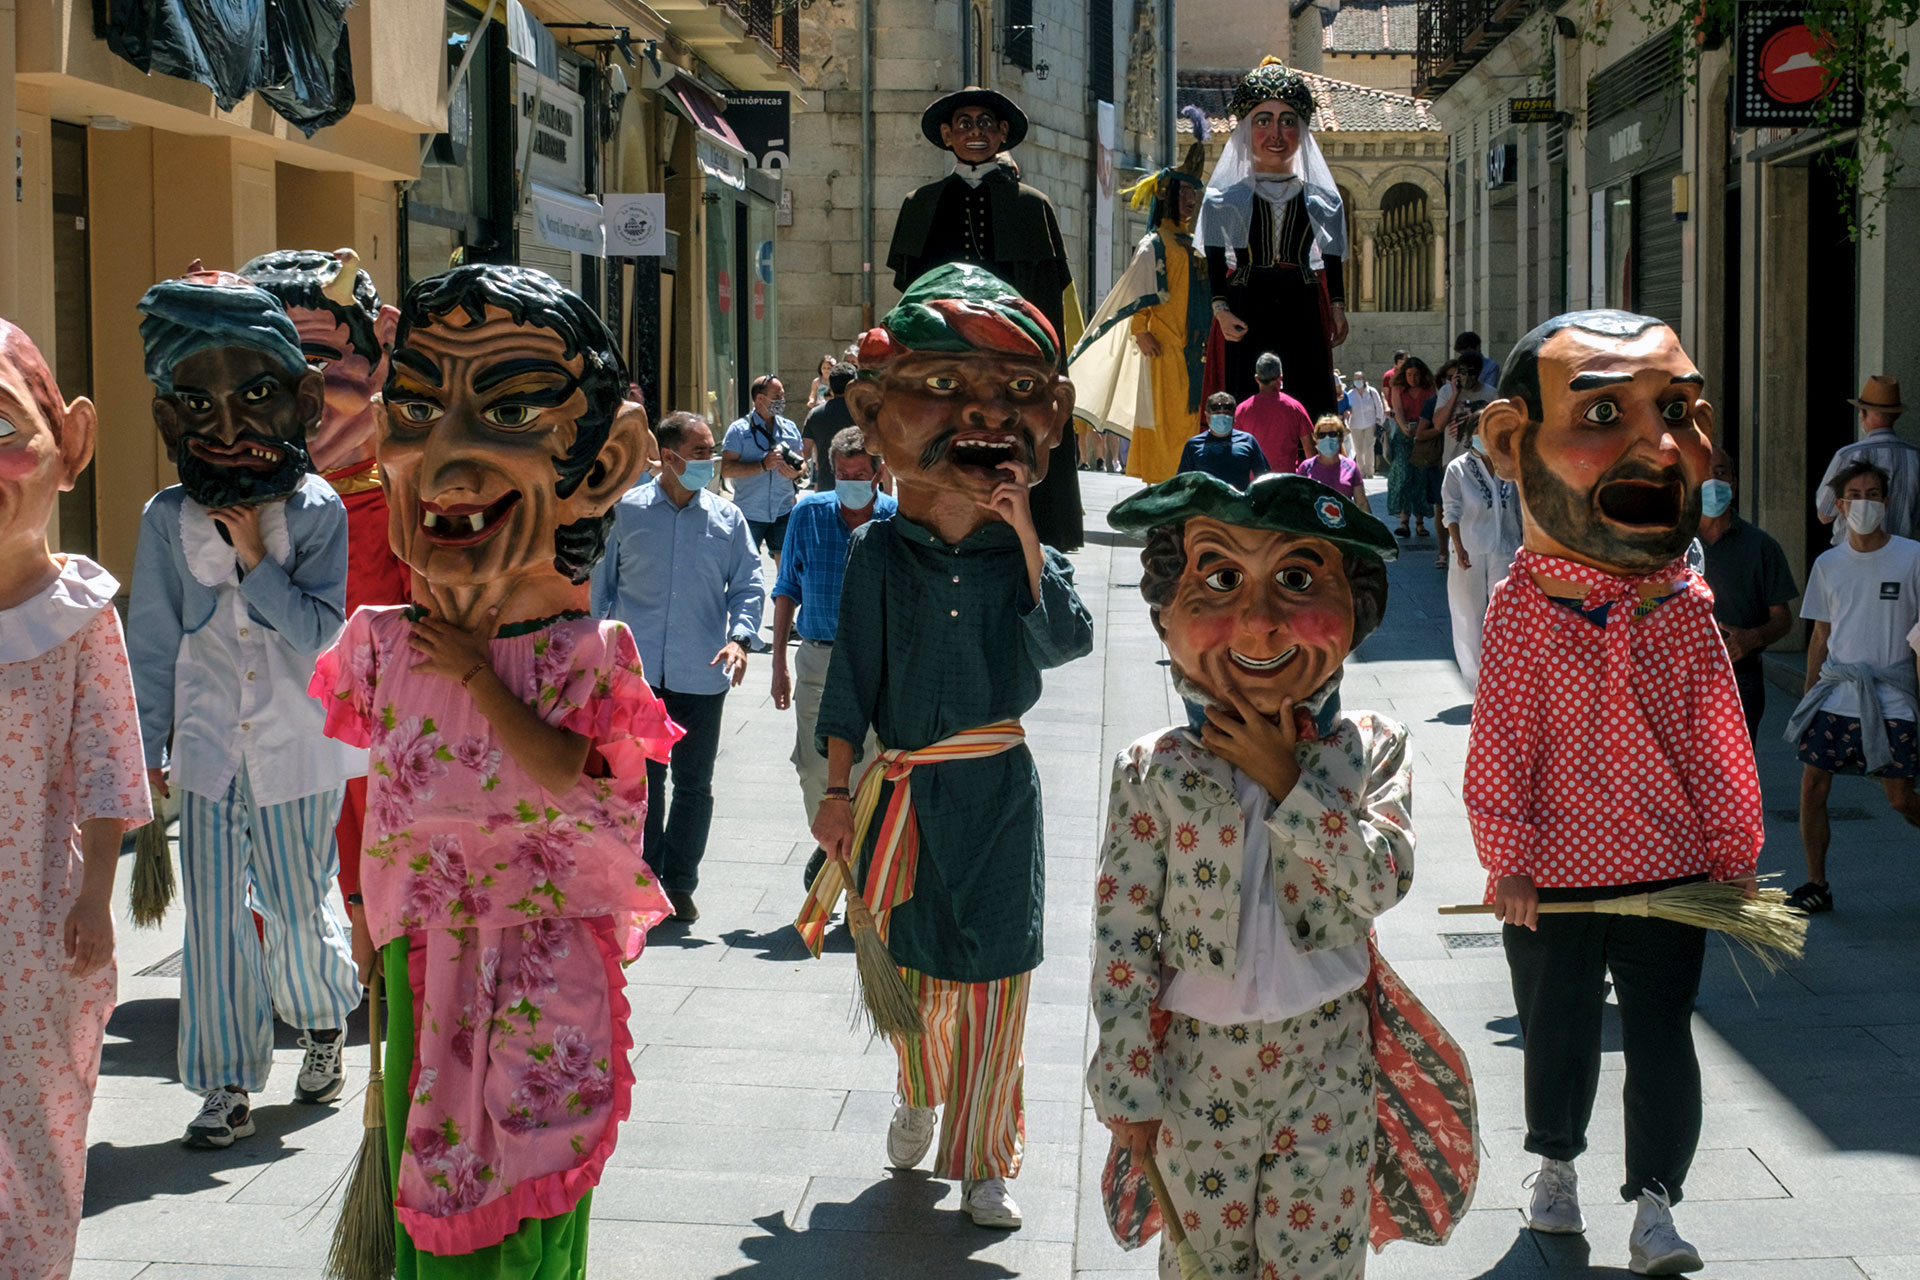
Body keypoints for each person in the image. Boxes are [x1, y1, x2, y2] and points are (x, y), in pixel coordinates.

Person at [313, 263, 679, 1276]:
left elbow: (596, 799)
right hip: (421, 961)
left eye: (511, 407)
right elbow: (363, 784)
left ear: (602, 466)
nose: (450, 451)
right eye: (420, 406)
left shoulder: (591, 657)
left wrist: (479, 674)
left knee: (521, 1222)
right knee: (433, 1211)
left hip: (539, 969)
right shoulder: (378, 643)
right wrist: (358, 897)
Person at [1090, 471, 1477, 1280]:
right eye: (1220, 580)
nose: (1260, 623)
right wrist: (1126, 1078)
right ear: (1166, 608)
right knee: (1205, 1265)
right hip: (1199, 1066)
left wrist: (1286, 782)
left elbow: (1381, 880)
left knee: (1318, 1264)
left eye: (1297, 582)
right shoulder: (1153, 769)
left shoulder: (1369, 747)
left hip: (1329, 1058)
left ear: (1355, 608)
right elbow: (1123, 935)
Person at [799, 263, 1094, 1230]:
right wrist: (836, 793)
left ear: (1049, 424)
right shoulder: (882, 551)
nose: (983, 417)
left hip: (1000, 793)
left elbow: (1068, 641)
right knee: (919, 968)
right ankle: (921, 1095)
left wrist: (1024, 537)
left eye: (1016, 394)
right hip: (908, 797)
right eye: (941, 388)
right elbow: (851, 687)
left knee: (1000, 976)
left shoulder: (1024, 554)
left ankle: (986, 1163)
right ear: (877, 414)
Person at [1469, 310, 1762, 1277]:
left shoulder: (1686, 607)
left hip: (1669, 874)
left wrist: (1735, 853)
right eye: (1605, 411)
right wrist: (1505, 855)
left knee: (1662, 1037)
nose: (1660, 445)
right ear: (1514, 444)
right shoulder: (1519, 605)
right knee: (1556, 1031)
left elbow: (1717, 737)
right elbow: (1501, 735)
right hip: (1551, 879)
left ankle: (1655, 1203)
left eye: (1677, 410)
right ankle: (1554, 1168)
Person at [127, 267, 362, 1147]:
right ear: (168, 418)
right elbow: (152, 641)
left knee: (300, 905)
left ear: (301, 403)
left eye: (255, 397)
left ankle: (325, 1020)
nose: (225, 429)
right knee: (217, 918)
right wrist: (146, 747)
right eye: (196, 404)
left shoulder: (318, 512)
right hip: (209, 749)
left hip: (300, 749)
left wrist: (257, 558)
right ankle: (224, 1082)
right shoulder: (164, 519)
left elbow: (322, 639)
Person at [0, 320, 152, 1280]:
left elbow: (108, 760)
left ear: (70, 448)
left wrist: (98, 892)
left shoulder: (79, 614)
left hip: (34, 920)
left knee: (35, 1116)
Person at [240, 246, 410, 925]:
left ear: (378, 362)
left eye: (316, 357)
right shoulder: (219, 508)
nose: (294, 387)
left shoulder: (400, 503)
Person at [888, 86, 1084, 552]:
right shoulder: (921, 203)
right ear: (946, 134)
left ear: (1001, 134)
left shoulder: (1033, 205)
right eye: (964, 123)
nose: (975, 132)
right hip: (945, 356)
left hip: (1013, 352)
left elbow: (1048, 300)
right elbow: (910, 297)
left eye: (985, 124)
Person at [594, 411, 765, 924]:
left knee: (694, 784)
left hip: (701, 673)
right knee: (644, 785)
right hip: (637, 678)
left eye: (711, 450)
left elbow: (749, 585)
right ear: (668, 458)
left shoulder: (726, 519)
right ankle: (646, 880)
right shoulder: (625, 512)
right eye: (699, 452)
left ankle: (681, 883)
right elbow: (600, 589)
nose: (710, 462)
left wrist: (739, 639)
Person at [1781, 460, 1920, 915]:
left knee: (1900, 798)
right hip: (1837, 694)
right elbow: (1822, 633)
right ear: (1840, 505)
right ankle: (1816, 883)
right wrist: (1807, 698)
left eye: (1874, 494)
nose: (1865, 502)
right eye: (1855, 495)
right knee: (1812, 786)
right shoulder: (1829, 563)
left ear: (1887, 501)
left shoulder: (1911, 557)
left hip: (1892, 695)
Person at [770, 427, 899, 891]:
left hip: (878, 664)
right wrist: (779, 665)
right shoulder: (807, 513)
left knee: (872, 768)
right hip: (819, 660)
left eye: (859, 474)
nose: (850, 481)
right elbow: (785, 588)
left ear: (878, 473)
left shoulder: (896, 520)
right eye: (842, 473)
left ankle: (860, 878)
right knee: (813, 765)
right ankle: (830, 846)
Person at [1198, 58, 1348, 417]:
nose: (1276, 135)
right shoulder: (1224, 198)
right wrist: (1220, 310)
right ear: (1247, 130)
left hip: (1303, 303)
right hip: (1249, 304)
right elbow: (1215, 259)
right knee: (1246, 394)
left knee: (1307, 392)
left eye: (1288, 122)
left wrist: (1338, 307)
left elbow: (1332, 255)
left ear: (1302, 130)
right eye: (1263, 121)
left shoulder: (1323, 199)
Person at [1062, 124, 1208, 488]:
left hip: (1197, 349)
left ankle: (1189, 481)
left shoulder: (1194, 244)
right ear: (1169, 195)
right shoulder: (1153, 245)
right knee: (1165, 420)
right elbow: (1135, 293)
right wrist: (1140, 330)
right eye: (1185, 192)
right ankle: (1163, 484)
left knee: (1192, 419)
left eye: (1194, 192)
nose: (1191, 200)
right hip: (1164, 351)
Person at [1697, 447, 1796, 740]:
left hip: (1741, 679)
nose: (1712, 481)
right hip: (1680, 680)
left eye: (1720, 473)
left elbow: (1783, 619)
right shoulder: (1672, 545)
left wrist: (1751, 638)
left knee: (1735, 779)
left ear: (1734, 483)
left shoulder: (1761, 546)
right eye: (1703, 474)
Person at [1438, 408, 1522, 690]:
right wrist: (1458, 546)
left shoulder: (1510, 466)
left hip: (1506, 547)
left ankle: (1508, 680)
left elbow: (1522, 509)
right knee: (1468, 615)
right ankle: (1477, 684)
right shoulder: (1458, 469)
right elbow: (1451, 511)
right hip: (1469, 550)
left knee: (1505, 615)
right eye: (1478, 432)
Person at [1814, 376, 1920, 543]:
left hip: (1853, 556)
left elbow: (1824, 514)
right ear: (1897, 415)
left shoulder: (1847, 455)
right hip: (1904, 558)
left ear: (1862, 413)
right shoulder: (1916, 456)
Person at [721, 373, 804, 567]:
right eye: (777, 397)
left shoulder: (790, 429)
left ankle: (783, 599)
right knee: (743, 568)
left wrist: (797, 473)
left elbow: (803, 463)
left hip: (783, 511)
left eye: (783, 396)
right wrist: (762, 465)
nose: (782, 401)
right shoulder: (738, 430)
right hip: (750, 513)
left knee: (787, 572)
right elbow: (726, 470)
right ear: (760, 399)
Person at [1235, 350, 1315, 467]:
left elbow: (1235, 450)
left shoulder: (1241, 410)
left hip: (1255, 482)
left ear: (1257, 378)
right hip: (1287, 480)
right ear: (1280, 377)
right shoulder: (1295, 408)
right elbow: (1310, 453)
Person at [1178, 391, 1270, 489]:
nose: (1222, 418)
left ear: (1234, 416)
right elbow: (1182, 483)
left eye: (1226, 414)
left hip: (1238, 502)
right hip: (1206, 503)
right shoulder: (1193, 445)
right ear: (1207, 416)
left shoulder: (1248, 441)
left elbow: (1263, 479)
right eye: (1217, 413)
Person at [800, 362, 857, 492]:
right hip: (860, 488)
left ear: (830, 386)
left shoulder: (815, 414)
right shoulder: (863, 413)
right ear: (853, 385)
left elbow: (804, 451)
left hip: (827, 487)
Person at [1295, 412, 1370, 508]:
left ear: (1340, 438)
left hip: (1344, 522)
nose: (1327, 438)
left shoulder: (1351, 467)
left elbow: (1361, 503)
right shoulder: (1306, 467)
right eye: (1321, 435)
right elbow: (1298, 502)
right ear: (1315, 439)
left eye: (1332, 434)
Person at [1345, 368, 1386, 480]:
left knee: (1369, 448)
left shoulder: (1372, 392)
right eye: (1355, 379)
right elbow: (1348, 408)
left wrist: (1379, 420)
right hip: (1355, 425)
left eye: (1360, 378)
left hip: (1370, 424)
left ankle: (1369, 472)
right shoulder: (1350, 394)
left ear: (1364, 379)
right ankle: (1360, 472)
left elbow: (1379, 406)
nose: (1357, 381)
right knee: (1358, 449)